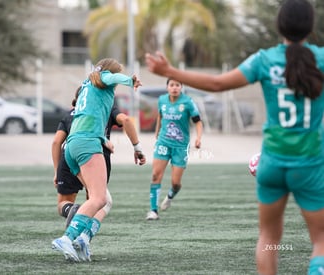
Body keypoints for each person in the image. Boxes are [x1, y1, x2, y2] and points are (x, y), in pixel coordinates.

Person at [145, 0, 324, 274]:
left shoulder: (264, 59)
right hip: (310, 163)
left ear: (279, 26)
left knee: (269, 239)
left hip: (272, 163)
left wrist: (169, 71)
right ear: (312, 26)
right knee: (320, 242)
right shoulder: (320, 59)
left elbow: (217, 84)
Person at [51, 58, 142, 262]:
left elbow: (88, 118)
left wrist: (103, 139)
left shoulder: (86, 86)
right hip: (86, 145)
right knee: (99, 199)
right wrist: (130, 80)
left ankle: (83, 239)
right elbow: (112, 76)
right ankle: (67, 238)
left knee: (104, 200)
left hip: (73, 146)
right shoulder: (104, 78)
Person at [52, 88, 146, 229]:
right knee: (96, 200)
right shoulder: (105, 108)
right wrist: (137, 148)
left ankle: (72, 211)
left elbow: (56, 142)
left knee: (63, 203)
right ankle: (82, 237)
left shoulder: (70, 114)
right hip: (96, 156)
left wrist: (56, 170)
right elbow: (126, 119)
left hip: (69, 155)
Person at [146, 78, 203, 220]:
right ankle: (153, 211)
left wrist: (198, 138)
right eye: (172, 85)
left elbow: (198, 121)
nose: (174, 88)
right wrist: (157, 131)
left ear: (181, 87)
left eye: (177, 85)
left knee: (176, 183)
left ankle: (170, 195)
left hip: (181, 146)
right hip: (163, 143)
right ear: (167, 87)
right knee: (155, 175)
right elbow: (160, 115)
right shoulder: (162, 100)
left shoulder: (188, 102)